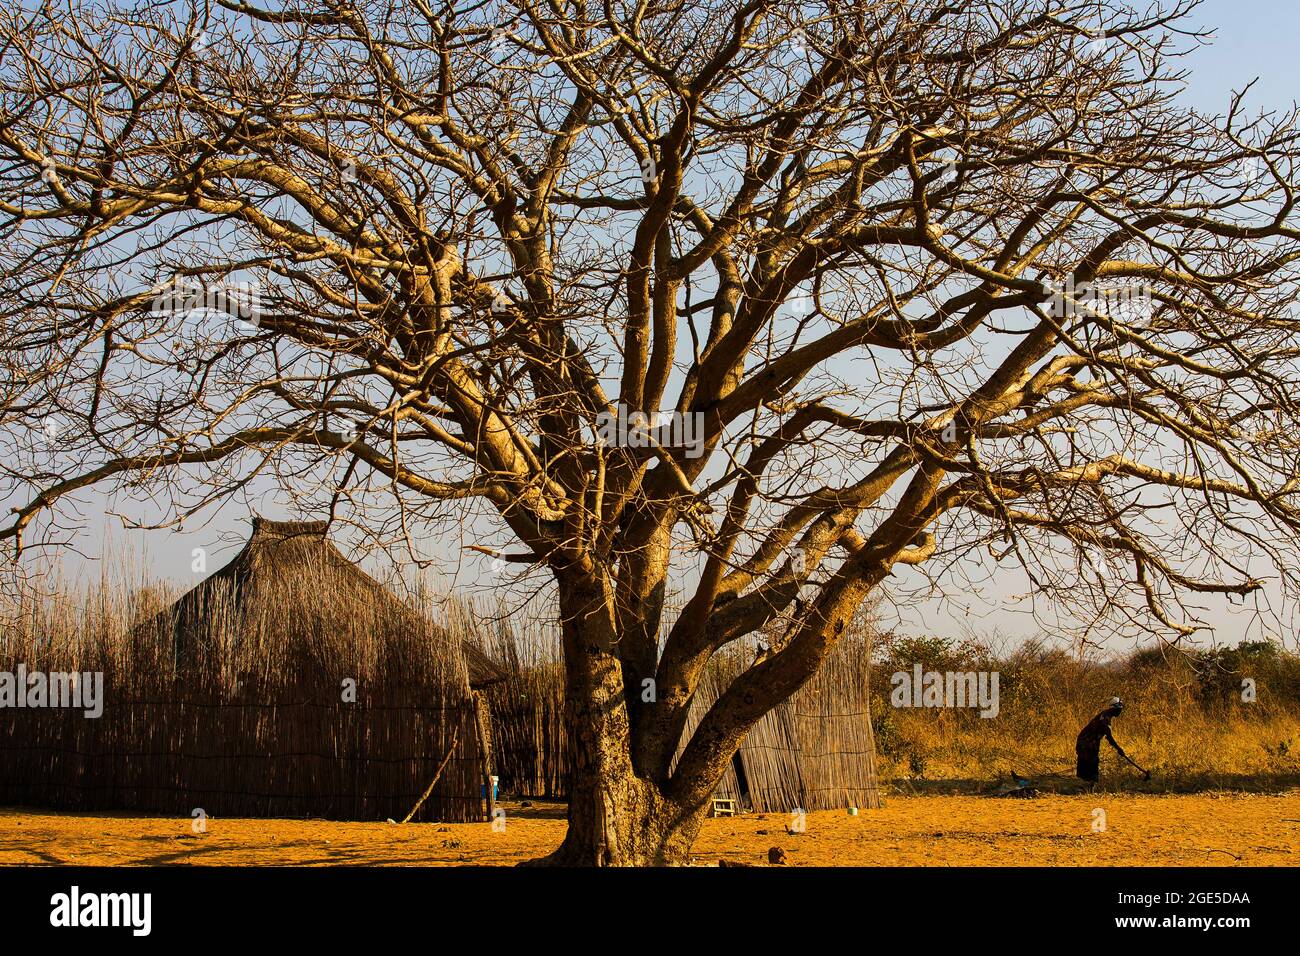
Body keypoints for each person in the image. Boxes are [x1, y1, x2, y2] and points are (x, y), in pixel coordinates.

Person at [1075, 697, 1142, 782]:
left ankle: (1087, 784)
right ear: (1114, 708)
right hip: (1086, 743)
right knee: (1090, 763)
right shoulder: (1105, 717)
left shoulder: (1106, 715)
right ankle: (1087, 784)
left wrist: (1118, 749)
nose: (1120, 711)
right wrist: (1119, 749)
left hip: (1090, 742)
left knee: (1089, 762)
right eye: (1119, 709)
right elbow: (1109, 736)